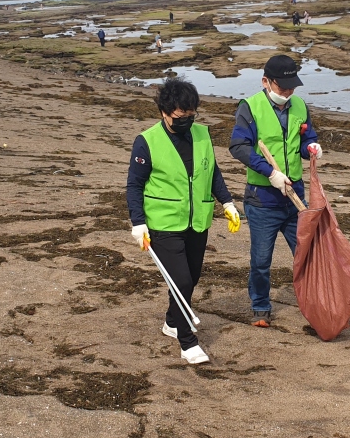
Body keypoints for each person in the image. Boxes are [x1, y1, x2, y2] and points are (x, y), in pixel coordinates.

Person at [127, 78, 239, 365]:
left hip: (197, 221)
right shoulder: (147, 142)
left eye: (191, 116)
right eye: (180, 117)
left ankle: (171, 321)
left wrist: (226, 201)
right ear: (164, 112)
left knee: (191, 279)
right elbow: (135, 186)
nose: (187, 121)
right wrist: (138, 223)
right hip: (163, 224)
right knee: (181, 280)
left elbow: (212, 172)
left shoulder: (202, 135)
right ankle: (187, 341)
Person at [229, 54, 322, 327]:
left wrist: (312, 149)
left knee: (307, 256)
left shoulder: (300, 106)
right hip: (262, 200)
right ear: (266, 82)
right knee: (260, 260)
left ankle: (317, 306)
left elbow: (307, 138)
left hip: (296, 199)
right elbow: (238, 146)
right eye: (283, 87)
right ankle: (260, 307)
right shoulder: (250, 107)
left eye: (292, 86)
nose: (288, 92)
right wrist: (270, 173)